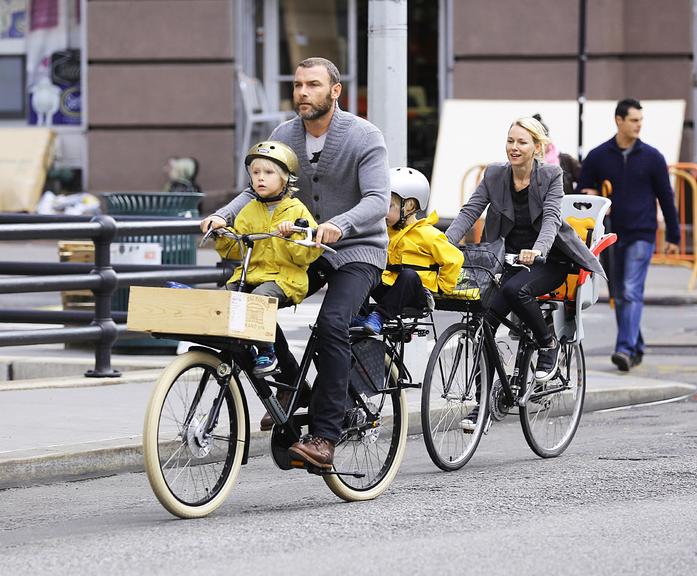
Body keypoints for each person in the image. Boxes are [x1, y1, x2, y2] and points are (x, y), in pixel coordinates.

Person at [200, 57, 390, 469]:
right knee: (248, 305)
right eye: (298, 84)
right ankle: (291, 386)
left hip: (358, 250)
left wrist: (339, 224)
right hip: (303, 248)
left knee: (331, 325)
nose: (303, 92)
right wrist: (224, 216)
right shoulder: (285, 134)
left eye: (313, 85)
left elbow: (377, 200)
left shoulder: (364, 136)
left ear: (335, 91)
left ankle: (325, 435)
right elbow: (257, 189)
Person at [446, 116, 605, 430]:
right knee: (483, 325)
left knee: (514, 290)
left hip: (549, 261)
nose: (514, 148)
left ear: (537, 147)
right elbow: (470, 211)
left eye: (522, 142)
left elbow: (551, 220)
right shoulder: (494, 175)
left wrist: (540, 249)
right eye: (510, 141)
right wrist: (443, 243)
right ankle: (482, 404)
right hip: (506, 259)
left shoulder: (551, 175)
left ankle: (547, 343)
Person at [577, 98, 680, 372]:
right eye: (634, 120)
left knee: (632, 291)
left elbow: (666, 198)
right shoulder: (598, 156)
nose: (638, 125)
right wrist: (589, 192)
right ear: (619, 120)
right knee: (619, 295)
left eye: (641, 120)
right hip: (611, 236)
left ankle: (623, 348)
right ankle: (635, 345)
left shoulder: (652, 157)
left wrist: (674, 234)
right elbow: (582, 192)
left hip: (642, 232)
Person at [214, 141, 321, 377]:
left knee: (259, 300)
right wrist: (222, 233)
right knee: (224, 298)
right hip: (251, 275)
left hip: (285, 279)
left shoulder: (296, 210)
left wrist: (294, 232)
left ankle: (267, 351)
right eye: (255, 173)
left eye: (269, 172)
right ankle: (232, 344)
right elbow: (236, 249)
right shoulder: (249, 210)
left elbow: (308, 253)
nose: (260, 178)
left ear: (285, 179)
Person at [355, 166, 464, 334]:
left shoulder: (428, 234)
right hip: (389, 289)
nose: (383, 211)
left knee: (409, 275)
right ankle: (357, 314)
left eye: (389, 206)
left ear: (410, 206)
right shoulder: (384, 231)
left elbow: (455, 258)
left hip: (415, 295)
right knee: (365, 268)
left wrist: (442, 287)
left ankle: (379, 317)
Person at [532, 113, 581, 195]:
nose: (539, 145)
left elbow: (586, 181)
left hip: (565, 207)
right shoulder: (525, 164)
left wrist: (575, 200)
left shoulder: (566, 160)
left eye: (540, 140)